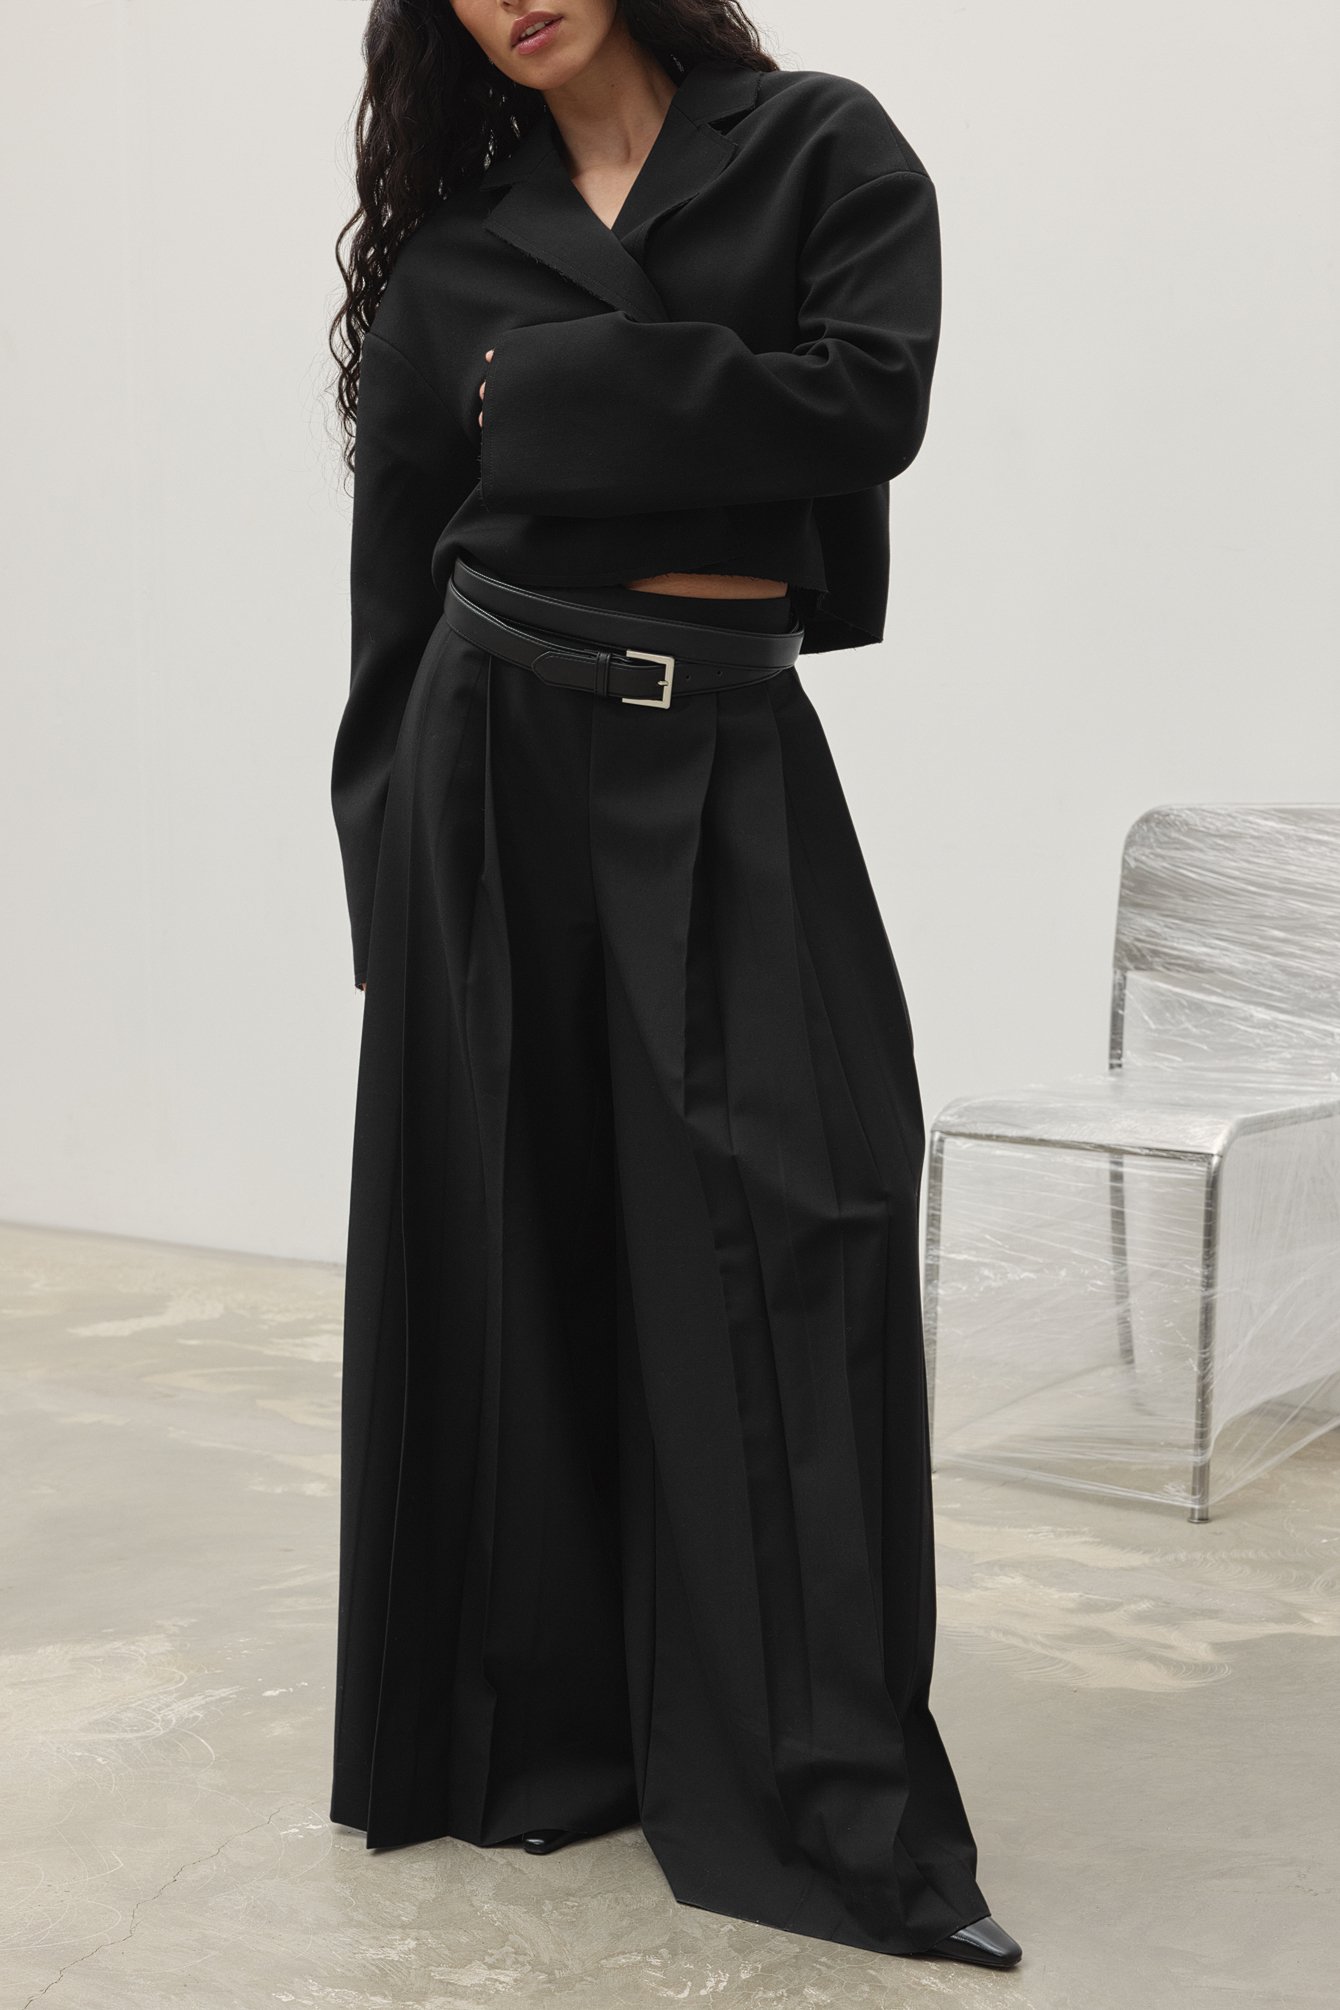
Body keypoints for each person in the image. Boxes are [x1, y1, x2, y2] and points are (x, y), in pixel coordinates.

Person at [326, 0, 1021, 1973]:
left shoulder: (815, 147)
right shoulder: (456, 256)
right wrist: (391, 889)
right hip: (491, 754)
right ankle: (551, 1741)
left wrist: (550, 397)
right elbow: (392, 586)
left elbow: (866, 400)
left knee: (806, 1227)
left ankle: (829, 1804)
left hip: (720, 738)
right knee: (520, 1254)